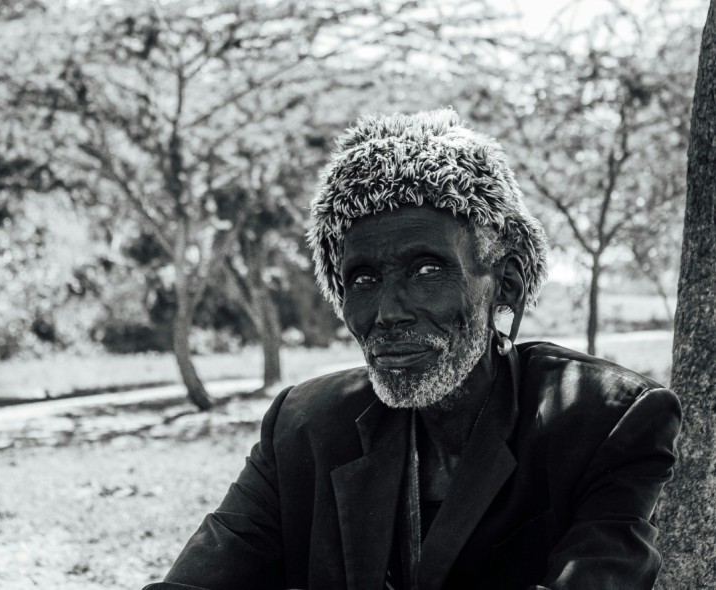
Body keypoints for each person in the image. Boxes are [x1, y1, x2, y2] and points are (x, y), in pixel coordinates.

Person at [143, 109, 681, 590]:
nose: (387, 312)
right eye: (363, 278)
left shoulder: (605, 421)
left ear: (507, 283)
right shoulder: (303, 427)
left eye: (426, 270)